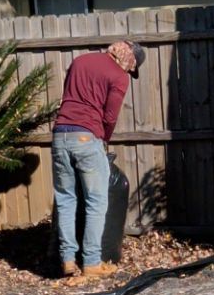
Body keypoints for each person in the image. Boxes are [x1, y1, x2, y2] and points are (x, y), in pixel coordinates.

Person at [50, 39, 145, 277]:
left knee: (65, 200)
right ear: (129, 59)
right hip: (86, 138)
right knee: (97, 201)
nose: (129, 73)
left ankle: (68, 260)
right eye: (132, 68)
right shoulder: (119, 76)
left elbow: (69, 95)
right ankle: (92, 263)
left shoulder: (80, 61)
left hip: (60, 135)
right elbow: (110, 116)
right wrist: (104, 139)